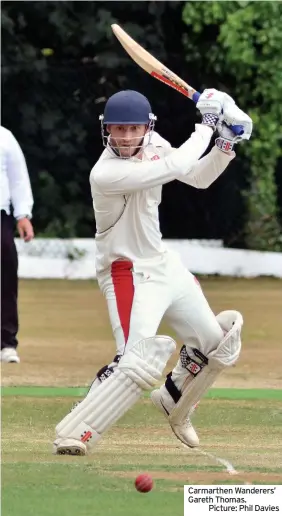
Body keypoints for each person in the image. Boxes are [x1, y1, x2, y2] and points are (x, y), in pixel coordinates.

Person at [53, 88, 252, 455]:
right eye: (118, 129)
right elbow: (174, 168)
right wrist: (207, 126)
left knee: (219, 346)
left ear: (147, 127)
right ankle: (75, 429)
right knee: (134, 359)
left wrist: (225, 143)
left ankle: (175, 397)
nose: (126, 137)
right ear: (107, 130)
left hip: (163, 264)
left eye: (133, 129)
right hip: (127, 271)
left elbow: (197, 177)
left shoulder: (155, 143)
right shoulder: (105, 173)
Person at [1, 126, 34, 363]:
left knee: (5, 276)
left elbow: (18, 177)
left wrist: (23, 214)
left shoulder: (4, 136)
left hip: (1, 215)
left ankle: (6, 343)